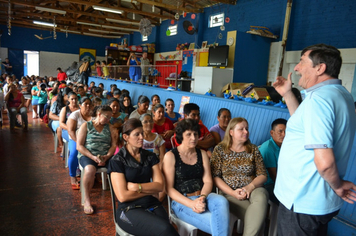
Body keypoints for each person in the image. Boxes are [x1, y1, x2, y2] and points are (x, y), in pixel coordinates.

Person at [272, 44, 356, 235]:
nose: (296, 68)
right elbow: (302, 127)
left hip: (302, 200)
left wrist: (338, 185)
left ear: (320, 68)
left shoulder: (319, 100)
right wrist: (287, 94)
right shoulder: (341, 95)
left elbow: (324, 163)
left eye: (302, 61)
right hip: (318, 200)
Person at [107, 118, 179, 235]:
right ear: (126, 137)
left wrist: (137, 187)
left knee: (165, 228)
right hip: (128, 209)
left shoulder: (150, 156)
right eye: (137, 134)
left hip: (152, 204)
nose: (142, 137)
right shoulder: (117, 161)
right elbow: (123, 196)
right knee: (165, 229)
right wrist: (150, 189)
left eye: (142, 133)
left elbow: (160, 186)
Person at [163, 119, 230, 236]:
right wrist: (191, 204)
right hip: (182, 201)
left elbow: (208, 181)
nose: (193, 138)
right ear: (180, 136)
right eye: (188, 134)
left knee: (222, 201)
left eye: (195, 134)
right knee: (220, 225)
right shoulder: (171, 156)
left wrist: (202, 197)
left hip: (203, 196)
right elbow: (169, 189)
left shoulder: (202, 154)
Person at [211, 117, 268, 236]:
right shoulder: (220, 150)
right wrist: (232, 193)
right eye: (241, 129)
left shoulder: (253, 149)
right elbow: (215, 177)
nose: (246, 132)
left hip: (253, 189)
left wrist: (250, 187)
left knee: (262, 196)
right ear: (231, 132)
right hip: (229, 192)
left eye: (247, 128)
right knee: (257, 217)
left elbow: (263, 175)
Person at [77, 105, 117, 214]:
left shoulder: (110, 128)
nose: (109, 120)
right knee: (90, 170)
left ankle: (120, 197)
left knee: (117, 167)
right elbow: (79, 146)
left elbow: (113, 146)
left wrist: (107, 156)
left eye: (110, 117)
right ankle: (87, 200)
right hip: (88, 155)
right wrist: (93, 157)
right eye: (107, 117)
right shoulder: (86, 126)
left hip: (105, 156)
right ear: (99, 114)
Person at [67, 97, 93, 190]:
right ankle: (73, 176)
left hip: (89, 140)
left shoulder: (93, 116)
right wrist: (79, 143)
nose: (88, 106)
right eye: (85, 104)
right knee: (74, 153)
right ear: (80, 105)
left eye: (90, 104)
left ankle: (94, 175)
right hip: (75, 138)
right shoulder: (75, 115)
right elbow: (71, 131)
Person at [259, 118, 287, 204]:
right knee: (287, 201)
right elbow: (274, 176)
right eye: (280, 131)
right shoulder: (268, 148)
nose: (284, 135)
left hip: (280, 180)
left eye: (286, 132)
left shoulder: (285, 146)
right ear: (272, 133)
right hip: (268, 184)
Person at [49, 87, 73, 151]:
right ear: (65, 95)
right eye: (69, 96)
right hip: (57, 120)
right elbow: (51, 115)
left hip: (68, 120)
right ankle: (62, 146)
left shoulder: (71, 104)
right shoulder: (56, 103)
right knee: (59, 127)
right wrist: (61, 118)